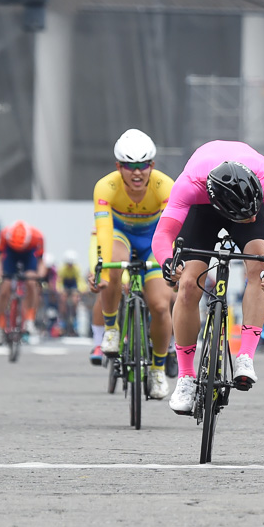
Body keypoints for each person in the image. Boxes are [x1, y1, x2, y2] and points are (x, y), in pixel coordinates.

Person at [154, 140, 264, 414]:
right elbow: (163, 234)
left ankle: (245, 356)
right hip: (204, 208)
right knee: (188, 286)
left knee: (260, 267)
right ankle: (185, 376)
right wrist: (168, 262)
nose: (253, 221)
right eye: (248, 217)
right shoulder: (189, 183)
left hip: (246, 196)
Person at [87, 129, 177, 400]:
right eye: (129, 166)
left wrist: (172, 264)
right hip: (120, 235)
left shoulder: (165, 186)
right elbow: (103, 230)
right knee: (113, 265)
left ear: (152, 165)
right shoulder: (106, 187)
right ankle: (112, 329)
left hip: (154, 240)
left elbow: (171, 230)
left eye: (143, 166)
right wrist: (100, 267)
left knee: (161, 305)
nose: (137, 173)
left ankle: (157, 370)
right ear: (119, 167)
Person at [0, 221, 47, 340]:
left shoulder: (38, 236)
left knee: (31, 282)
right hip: (10, 255)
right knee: (5, 287)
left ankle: (29, 319)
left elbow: (41, 262)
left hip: (29, 254)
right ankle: (1, 325)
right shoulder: (4, 234)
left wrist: (39, 277)